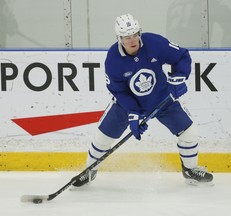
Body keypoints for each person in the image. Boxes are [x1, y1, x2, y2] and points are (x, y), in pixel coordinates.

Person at [72, 13, 213, 187]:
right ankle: (89, 171)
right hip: (127, 104)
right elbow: (119, 91)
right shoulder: (113, 59)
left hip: (161, 98)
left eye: (134, 34)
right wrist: (133, 113)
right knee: (102, 138)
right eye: (126, 37)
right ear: (119, 38)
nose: (132, 40)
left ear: (140, 32)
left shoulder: (154, 43)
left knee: (189, 133)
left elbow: (182, 56)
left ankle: (190, 170)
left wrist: (179, 78)